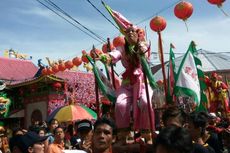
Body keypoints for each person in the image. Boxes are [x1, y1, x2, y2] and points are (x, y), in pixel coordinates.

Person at [103, 25, 155, 140]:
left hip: (142, 82)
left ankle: (147, 134)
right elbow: (114, 54)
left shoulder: (143, 45)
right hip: (127, 83)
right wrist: (106, 56)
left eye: (133, 31)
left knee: (146, 103)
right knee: (120, 104)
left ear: (138, 34)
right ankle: (123, 135)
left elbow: (144, 54)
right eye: (127, 32)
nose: (130, 33)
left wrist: (139, 47)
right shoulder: (121, 48)